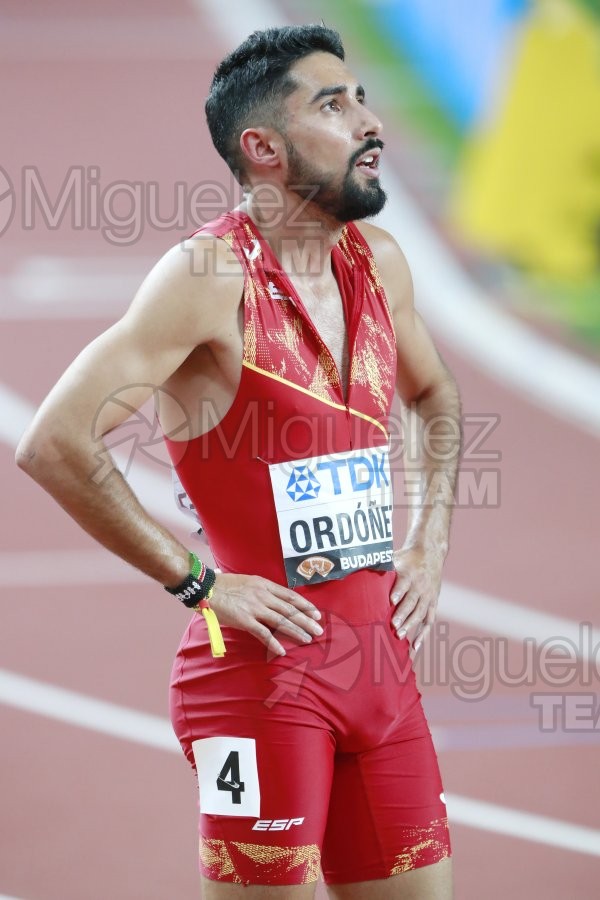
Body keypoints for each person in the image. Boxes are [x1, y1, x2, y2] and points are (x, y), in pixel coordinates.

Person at [16, 24, 461, 900]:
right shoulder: (207, 277)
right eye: (333, 105)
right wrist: (196, 581)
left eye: (362, 97)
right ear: (262, 147)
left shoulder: (381, 263)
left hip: (382, 676)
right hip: (258, 684)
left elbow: (436, 397)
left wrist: (430, 539)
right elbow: (53, 441)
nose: (369, 121)